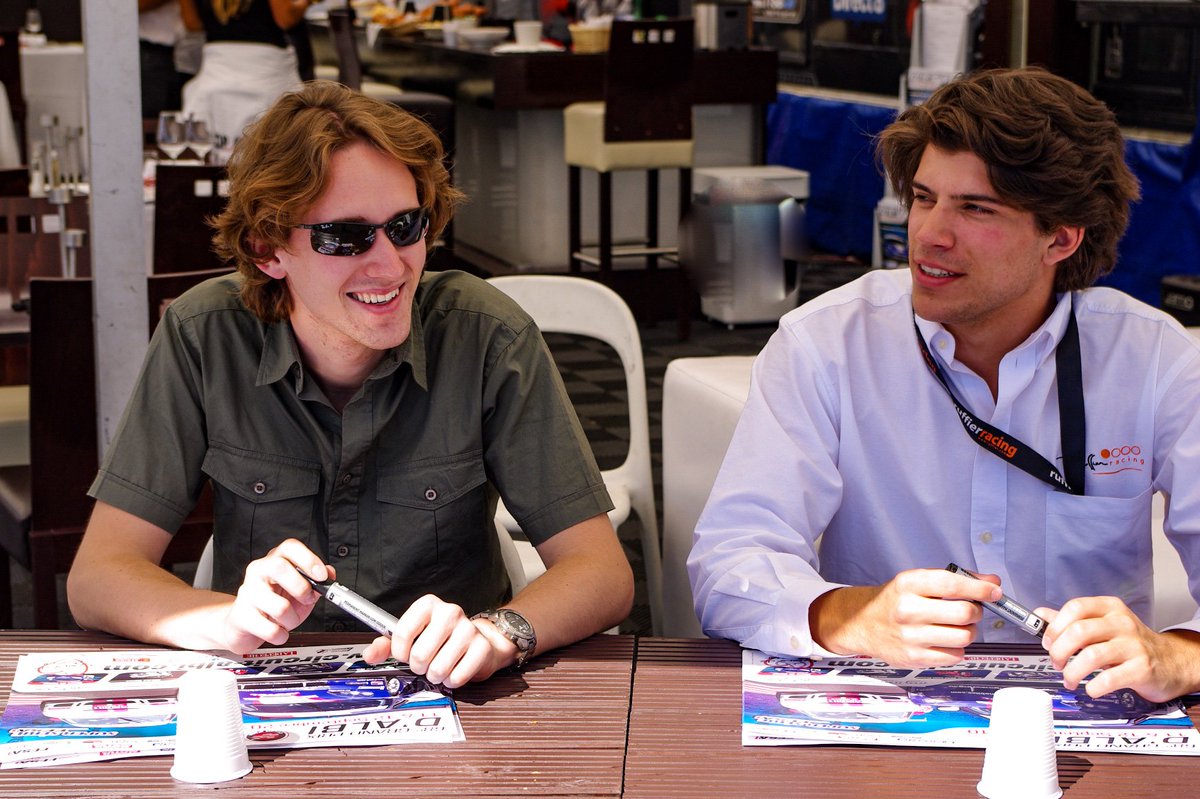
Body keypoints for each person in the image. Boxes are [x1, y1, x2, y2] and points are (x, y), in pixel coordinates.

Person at [67, 81, 633, 689]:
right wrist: (222, 619)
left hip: (450, 698)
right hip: (266, 694)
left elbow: (600, 571)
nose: (390, 265)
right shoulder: (205, 336)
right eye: (346, 237)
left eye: (405, 226)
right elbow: (99, 575)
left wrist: (498, 632)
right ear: (267, 248)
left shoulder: (485, 334)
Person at [688, 67, 1200, 703]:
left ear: (1061, 238)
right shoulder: (826, 344)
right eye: (925, 197)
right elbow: (727, 564)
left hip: (1085, 724)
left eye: (975, 208)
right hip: (886, 711)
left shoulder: (1154, 361)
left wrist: (1174, 654)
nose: (929, 233)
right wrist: (848, 615)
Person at [178, 0, 309, 150]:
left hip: (217, 70)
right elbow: (286, 18)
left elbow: (192, 23)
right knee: (276, 150)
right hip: (266, 71)